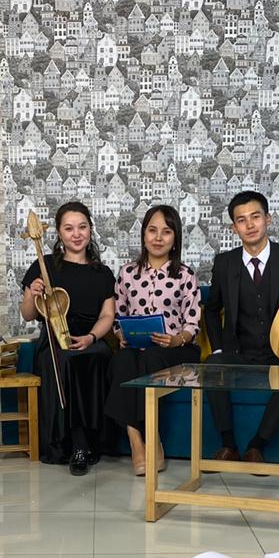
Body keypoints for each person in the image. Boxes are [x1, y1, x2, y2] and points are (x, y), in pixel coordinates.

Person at [203, 190, 279, 465]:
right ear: (234, 228)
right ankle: (228, 445)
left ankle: (257, 446)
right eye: (241, 220)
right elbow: (211, 309)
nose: (250, 225)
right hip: (241, 353)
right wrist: (219, 347)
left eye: (255, 217)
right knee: (212, 365)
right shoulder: (224, 263)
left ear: (268, 219)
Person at [20, 201, 117, 475]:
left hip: (91, 337)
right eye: (69, 228)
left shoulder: (103, 273)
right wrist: (33, 294)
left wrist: (90, 337)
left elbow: (107, 315)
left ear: (90, 230)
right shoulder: (44, 266)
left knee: (94, 356)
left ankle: (91, 442)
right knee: (67, 360)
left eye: (82, 227)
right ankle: (77, 446)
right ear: (59, 233)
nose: (77, 234)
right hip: (54, 340)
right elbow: (28, 315)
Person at [105, 204, 202, 475]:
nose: (158, 238)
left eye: (166, 232)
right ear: (144, 235)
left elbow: (193, 323)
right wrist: (120, 335)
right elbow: (118, 316)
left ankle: (153, 438)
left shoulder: (185, 275)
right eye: (152, 230)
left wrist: (176, 339)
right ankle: (137, 441)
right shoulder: (127, 273)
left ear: (175, 238)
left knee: (152, 356)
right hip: (137, 348)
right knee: (122, 360)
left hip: (177, 350)